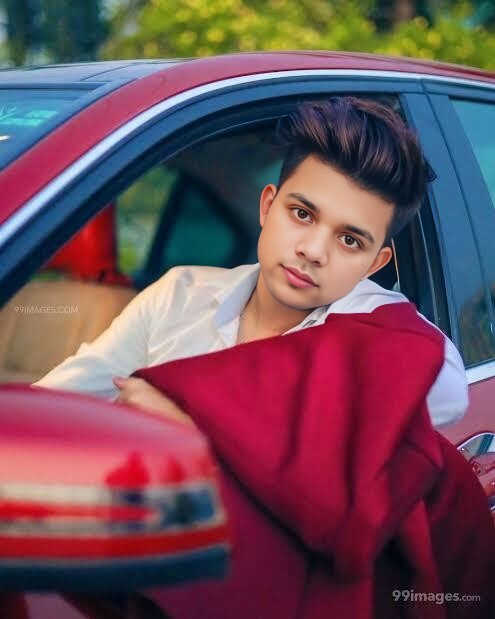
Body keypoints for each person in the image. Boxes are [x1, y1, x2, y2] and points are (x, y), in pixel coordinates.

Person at [34, 96, 468, 428]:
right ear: (267, 206)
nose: (314, 251)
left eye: (350, 240)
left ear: (374, 265)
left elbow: (449, 390)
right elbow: (54, 403)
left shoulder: (372, 322)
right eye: (302, 214)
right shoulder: (179, 294)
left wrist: (199, 418)